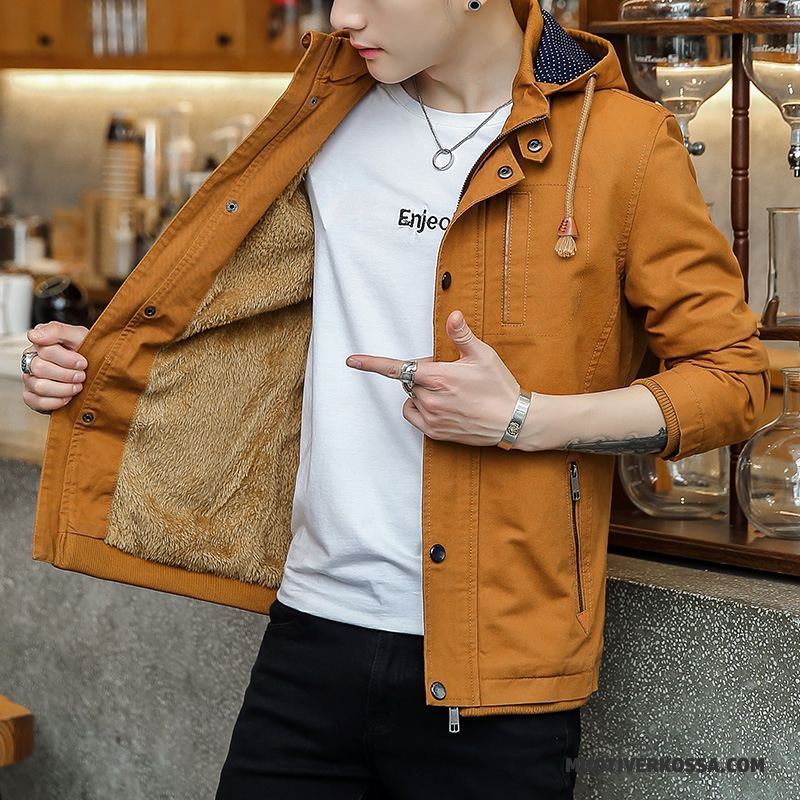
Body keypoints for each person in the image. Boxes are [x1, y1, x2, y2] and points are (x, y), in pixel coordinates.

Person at [20, 0, 770, 798]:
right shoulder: (324, 113)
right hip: (307, 638)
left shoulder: (622, 143)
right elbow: (250, 316)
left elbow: (734, 379)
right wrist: (102, 359)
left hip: (498, 670)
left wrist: (524, 419)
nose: (342, 15)